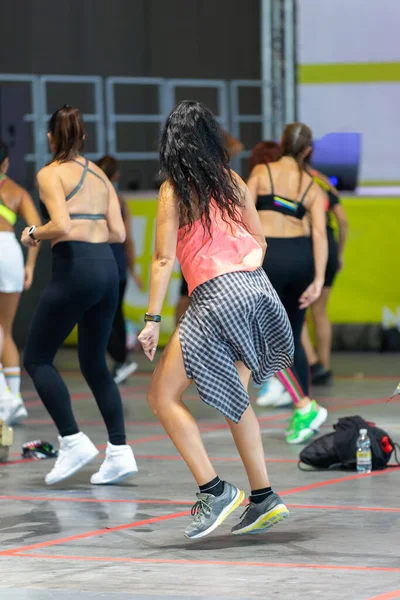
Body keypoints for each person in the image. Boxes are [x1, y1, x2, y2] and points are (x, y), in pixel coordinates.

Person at [138, 100, 294, 539]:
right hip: (258, 290)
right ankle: (263, 496)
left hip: (217, 296)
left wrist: (152, 319)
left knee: (161, 397)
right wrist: (243, 268)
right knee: (237, 397)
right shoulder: (233, 181)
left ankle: (216, 490)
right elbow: (260, 242)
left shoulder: (175, 189)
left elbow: (163, 257)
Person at [22, 105, 137, 486]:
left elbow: (61, 224)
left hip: (75, 269)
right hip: (107, 268)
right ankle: (119, 451)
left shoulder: (49, 174)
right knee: (94, 363)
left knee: (37, 359)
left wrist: (34, 233)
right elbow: (119, 233)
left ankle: (72, 440)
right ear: (83, 137)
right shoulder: (101, 175)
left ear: (51, 137)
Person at [247, 123, 328, 444]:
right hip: (301, 259)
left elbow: (242, 215)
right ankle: (303, 412)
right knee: (292, 335)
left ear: (281, 144)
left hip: (270, 258)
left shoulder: (261, 174)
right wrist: (319, 278)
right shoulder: (311, 185)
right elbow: (320, 234)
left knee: (264, 339)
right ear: (307, 150)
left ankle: (303, 405)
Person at [175, 129, 244, 325]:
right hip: (202, 243)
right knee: (189, 292)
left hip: (201, 243)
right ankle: (181, 333)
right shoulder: (220, 176)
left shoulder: (188, 174)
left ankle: (181, 334)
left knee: (189, 292)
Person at [0, 140, 41, 425]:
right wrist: (29, 266)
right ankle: (13, 400)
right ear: (5, 163)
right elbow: (36, 229)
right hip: (10, 253)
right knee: (6, 329)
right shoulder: (16, 191)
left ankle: (6, 400)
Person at [96, 155, 142, 385]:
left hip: (101, 263)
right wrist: (132, 269)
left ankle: (120, 360)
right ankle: (121, 361)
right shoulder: (120, 200)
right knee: (116, 316)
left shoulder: (95, 199)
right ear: (115, 175)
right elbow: (129, 241)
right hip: (118, 266)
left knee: (99, 317)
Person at [301, 167, 348, 384]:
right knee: (320, 311)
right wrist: (339, 251)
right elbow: (343, 220)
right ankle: (324, 366)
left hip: (306, 245)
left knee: (295, 311)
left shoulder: (296, 180)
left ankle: (312, 364)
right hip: (328, 244)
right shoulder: (322, 182)